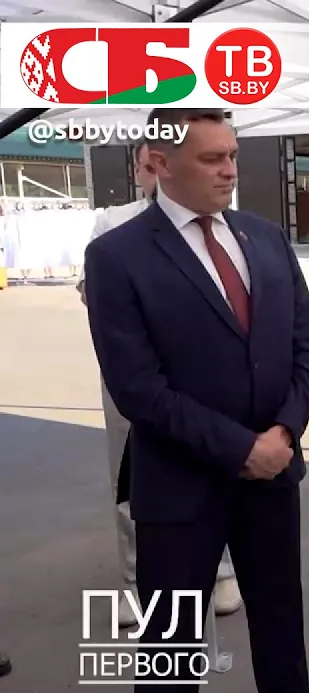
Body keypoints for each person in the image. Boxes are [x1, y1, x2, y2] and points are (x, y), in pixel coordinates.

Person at [83, 107, 309, 693]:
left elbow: (306, 349)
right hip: (178, 487)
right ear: (159, 163)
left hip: (272, 477)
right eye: (212, 158)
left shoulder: (265, 238)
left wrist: (284, 432)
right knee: (171, 649)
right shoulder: (116, 256)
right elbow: (137, 388)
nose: (229, 171)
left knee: (282, 626)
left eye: (233, 155)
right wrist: (242, 449)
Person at [78, 143, 241, 628]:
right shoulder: (114, 226)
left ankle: (220, 569)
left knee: (217, 458)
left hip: (206, 370)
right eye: (148, 168)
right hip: (135, 373)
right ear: (141, 169)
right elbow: (95, 296)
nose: (156, 177)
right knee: (132, 476)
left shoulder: (223, 226)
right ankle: (136, 581)